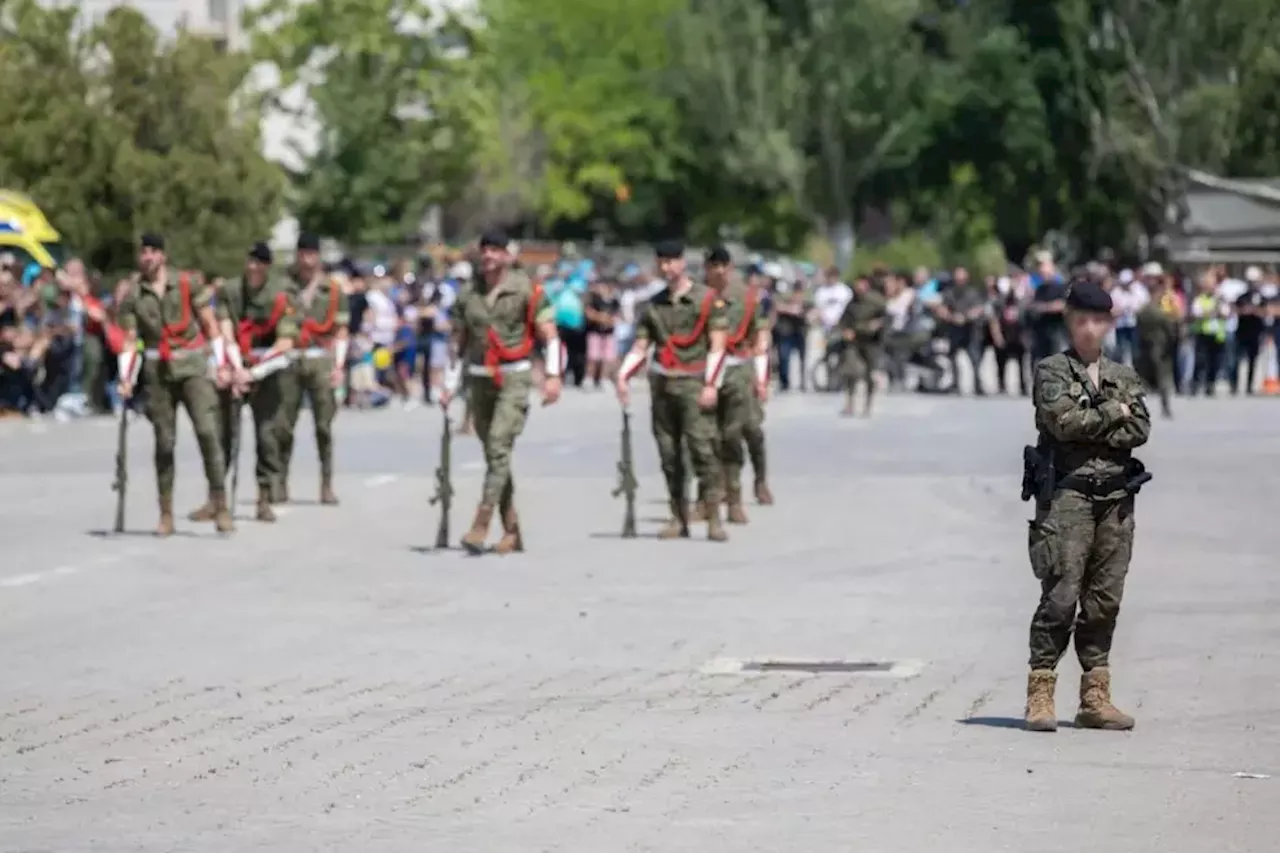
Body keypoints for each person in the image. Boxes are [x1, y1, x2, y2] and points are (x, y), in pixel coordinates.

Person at [1023, 280, 1151, 733]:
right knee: (1060, 596)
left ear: (1109, 323)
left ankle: (1095, 697)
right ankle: (1040, 692)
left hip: (1116, 497)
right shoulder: (1051, 370)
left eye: (1098, 321)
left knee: (1104, 600)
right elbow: (1062, 423)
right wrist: (1112, 413)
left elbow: (1139, 428)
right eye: (1082, 321)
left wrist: (1100, 420)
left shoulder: (1123, 375)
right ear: (1069, 321)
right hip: (1068, 496)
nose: (1090, 330)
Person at [440, 229, 563, 555]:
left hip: (514, 377)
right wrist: (449, 383)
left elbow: (549, 335)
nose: (490, 256)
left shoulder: (526, 289)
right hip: (479, 378)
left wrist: (553, 376)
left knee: (498, 443)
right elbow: (458, 341)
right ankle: (512, 529)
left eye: (496, 250)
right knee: (495, 454)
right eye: (485, 250)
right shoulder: (468, 294)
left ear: (508, 256)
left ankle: (481, 522)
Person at [115, 233, 232, 535]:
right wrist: (125, 378)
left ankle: (220, 504)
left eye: (154, 251)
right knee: (164, 443)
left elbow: (210, 325)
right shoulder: (133, 296)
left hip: (192, 365)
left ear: (163, 256)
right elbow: (130, 341)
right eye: (144, 252)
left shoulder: (186, 284)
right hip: (158, 371)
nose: (148, 257)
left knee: (208, 433)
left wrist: (221, 364)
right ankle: (165, 512)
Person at [616, 240, 730, 542]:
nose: (666, 268)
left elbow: (718, 345)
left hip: (694, 383)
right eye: (661, 262)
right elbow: (642, 346)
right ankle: (678, 516)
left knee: (703, 450)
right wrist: (623, 375)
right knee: (669, 455)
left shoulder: (707, 300)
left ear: (682, 263)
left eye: (672, 261)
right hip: (663, 385)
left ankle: (714, 516)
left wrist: (711, 385)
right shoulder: (653, 305)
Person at [212, 242, 299, 522]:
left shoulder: (281, 295)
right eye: (249, 261)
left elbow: (285, 342)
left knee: (267, 434)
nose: (252, 267)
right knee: (224, 433)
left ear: (267, 266)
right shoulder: (230, 291)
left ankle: (264, 495)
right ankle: (217, 498)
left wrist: (254, 373)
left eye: (259, 262)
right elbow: (225, 330)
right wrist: (235, 369)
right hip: (237, 360)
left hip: (269, 367)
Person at [696, 246, 768, 524]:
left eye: (722, 265)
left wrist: (761, 378)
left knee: (734, 436)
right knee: (704, 439)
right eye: (712, 265)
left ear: (729, 267)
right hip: (705, 371)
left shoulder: (748, 298)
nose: (717, 271)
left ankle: (735, 499)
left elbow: (759, 337)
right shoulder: (698, 297)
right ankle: (706, 500)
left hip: (738, 371)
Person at [278, 232, 349, 505]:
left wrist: (339, 365)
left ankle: (326, 483)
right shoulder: (285, 287)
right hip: (292, 358)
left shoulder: (332, 290)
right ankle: (280, 480)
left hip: (320, 359)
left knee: (324, 426)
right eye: (303, 253)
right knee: (284, 424)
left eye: (312, 253)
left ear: (318, 256)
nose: (307, 259)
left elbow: (341, 330)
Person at [836, 275, 887, 417]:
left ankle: (868, 405)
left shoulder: (876, 301)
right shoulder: (852, 302)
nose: (859, 288)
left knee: (869, 374)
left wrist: (877, 325)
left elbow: (886, 317)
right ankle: (850, 403)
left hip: (871, 341)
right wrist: (844, 330)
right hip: (854, 341)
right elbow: (843, 320)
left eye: (861, 284)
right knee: (850, 372)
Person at [1133, 273, 1180, 418]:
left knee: (1142, 381)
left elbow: (1138, 329)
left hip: (1144, 348)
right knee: (1163, 379)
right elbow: (1171, 330)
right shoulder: (1160, 313)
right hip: (1161, 349)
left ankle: (1137, 408)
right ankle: (1165, 408)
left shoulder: (1142, 311)